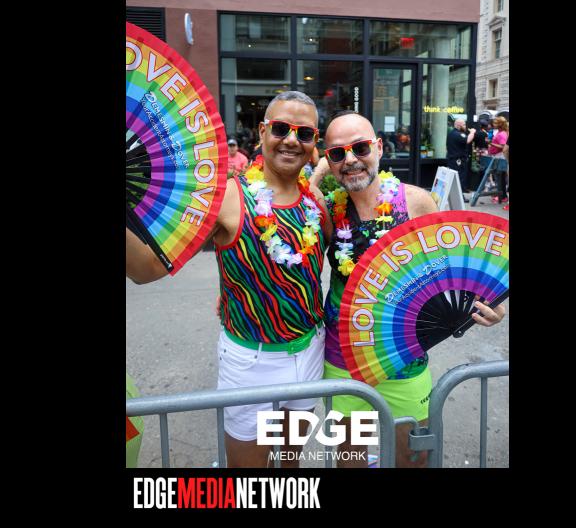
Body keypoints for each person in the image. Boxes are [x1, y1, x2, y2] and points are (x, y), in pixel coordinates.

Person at [126, 91, 333, 468]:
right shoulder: (227, 198)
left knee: (290, 465)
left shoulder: (315, 202)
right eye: (281, 128)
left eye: (304, 133)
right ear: (263, 131)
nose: (291, 140)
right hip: (250, 362)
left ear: (314, 142)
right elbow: (146, 269)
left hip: (309, 352)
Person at [321, 111, 505, 468]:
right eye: (338, 153)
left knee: (413, 459)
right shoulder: (328, 211)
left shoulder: (417, 202)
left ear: (378, 147)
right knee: (350, 460)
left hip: (406, 359)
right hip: (343, 359)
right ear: (328, 161)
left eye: (360, 148)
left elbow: (450, 270)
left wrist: (490, 303)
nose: (351, 160)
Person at [446, 119, 475, 193]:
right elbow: (467, 140)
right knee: (460, 178)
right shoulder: (458, 134)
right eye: (464, 125)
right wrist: (472, 132)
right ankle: (460, 196)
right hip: (458, 161)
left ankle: (457, 194)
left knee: (455, 179)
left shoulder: (451, 133)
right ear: (459, 125)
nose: (465, 126)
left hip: (453, 160)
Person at [488, 116, 509, 204]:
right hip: (498, 156)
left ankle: (502, 196)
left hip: (500, 157)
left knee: (500, 178)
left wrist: (491, 143)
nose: (493, 124)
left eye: (495, 123)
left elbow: (503, 146)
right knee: (499, 178)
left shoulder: (502, 134)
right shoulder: (500, 132)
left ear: (500, 124)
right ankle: (502, 196)